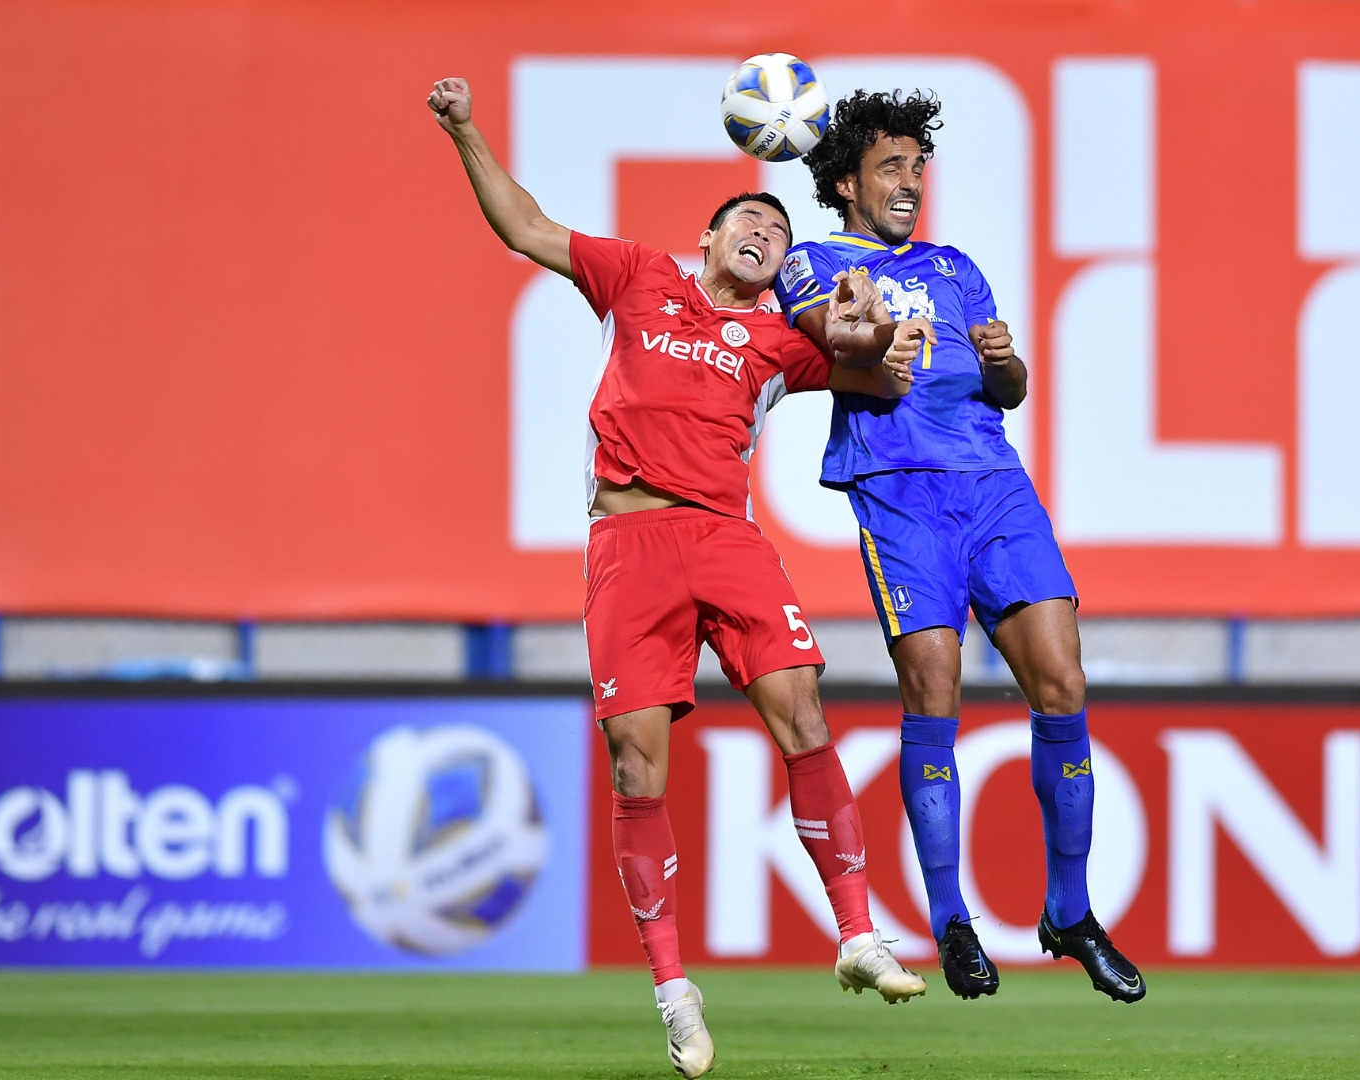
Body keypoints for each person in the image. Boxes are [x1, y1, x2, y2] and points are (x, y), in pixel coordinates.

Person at [427, 78, 929, 1078]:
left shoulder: (783, 338)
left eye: (777, 232)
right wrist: (465, 131)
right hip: (628, 546)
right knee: (635, 769)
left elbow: (881, 373)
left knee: (803, 713)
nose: (764, 233)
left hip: (726, 542)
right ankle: (673, 991)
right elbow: (525, 228)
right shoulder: (636, 277)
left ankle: (857, 934)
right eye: (749, 220)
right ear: (706, 239)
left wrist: (870, 321)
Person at [773, 89, 1146, 1004]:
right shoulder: (813, 261)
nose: (910, 182)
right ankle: (950, 920)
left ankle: (1070, 911)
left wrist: (1002, 357)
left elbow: (1006, 389)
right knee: (932, 690)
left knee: (1062, 683)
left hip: (993, 484)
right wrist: (872, 329)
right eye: (890, 167)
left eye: (917, 165)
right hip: (899, 490)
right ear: (846, 182)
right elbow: (829, 336)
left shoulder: (954, 266)